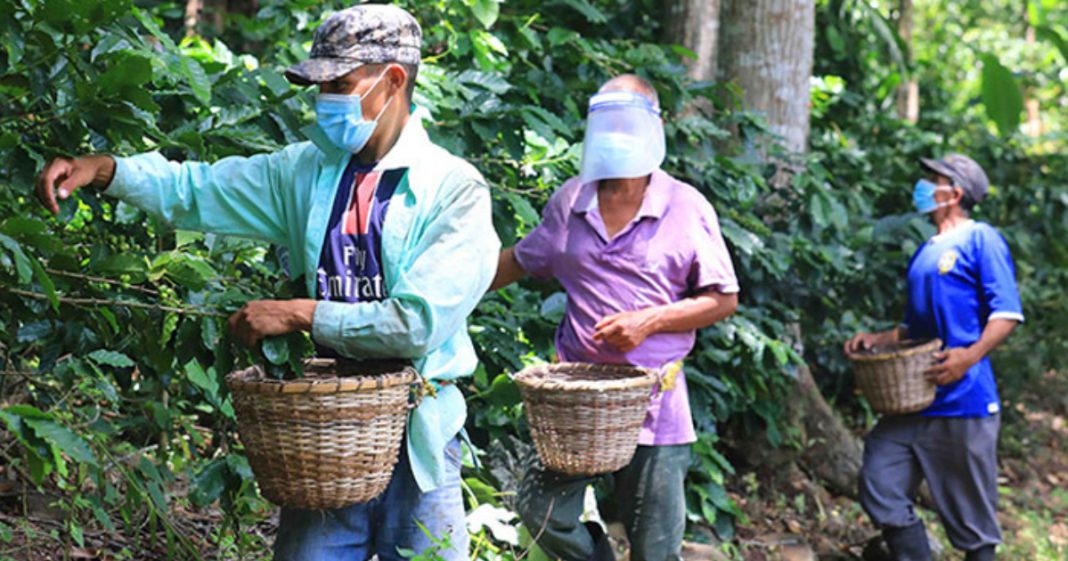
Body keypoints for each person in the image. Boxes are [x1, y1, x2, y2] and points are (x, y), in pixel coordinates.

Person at [33, 5, 499, 560]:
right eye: (321, 86)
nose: (326, 99)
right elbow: (201, 190)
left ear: (392, 80)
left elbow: (416, 324)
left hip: (420, 436)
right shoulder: (308, 171)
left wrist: (301, 313)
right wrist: (108, 171)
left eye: (341, 84)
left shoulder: (453, 189)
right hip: (324, 432)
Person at [490, 74, 739, 561]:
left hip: (655, 405)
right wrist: (443, 289)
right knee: (539, 508)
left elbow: (722, 298)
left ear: (655, 126)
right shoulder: (571, 201)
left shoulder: (685, 206)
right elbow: (521, 260)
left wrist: (649, 321)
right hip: (577, 403)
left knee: (655, 549)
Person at [845, 154, 1022, 561]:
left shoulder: (981, 239)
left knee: (973, 523)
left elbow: (1007, 313)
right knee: (880, 480)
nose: (923, 187)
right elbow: (917, 327)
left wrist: (968, 357)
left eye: (933, 180)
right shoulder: (927, 250)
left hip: (964, 401)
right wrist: (878, 339)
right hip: (914, 397)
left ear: (955, 193)